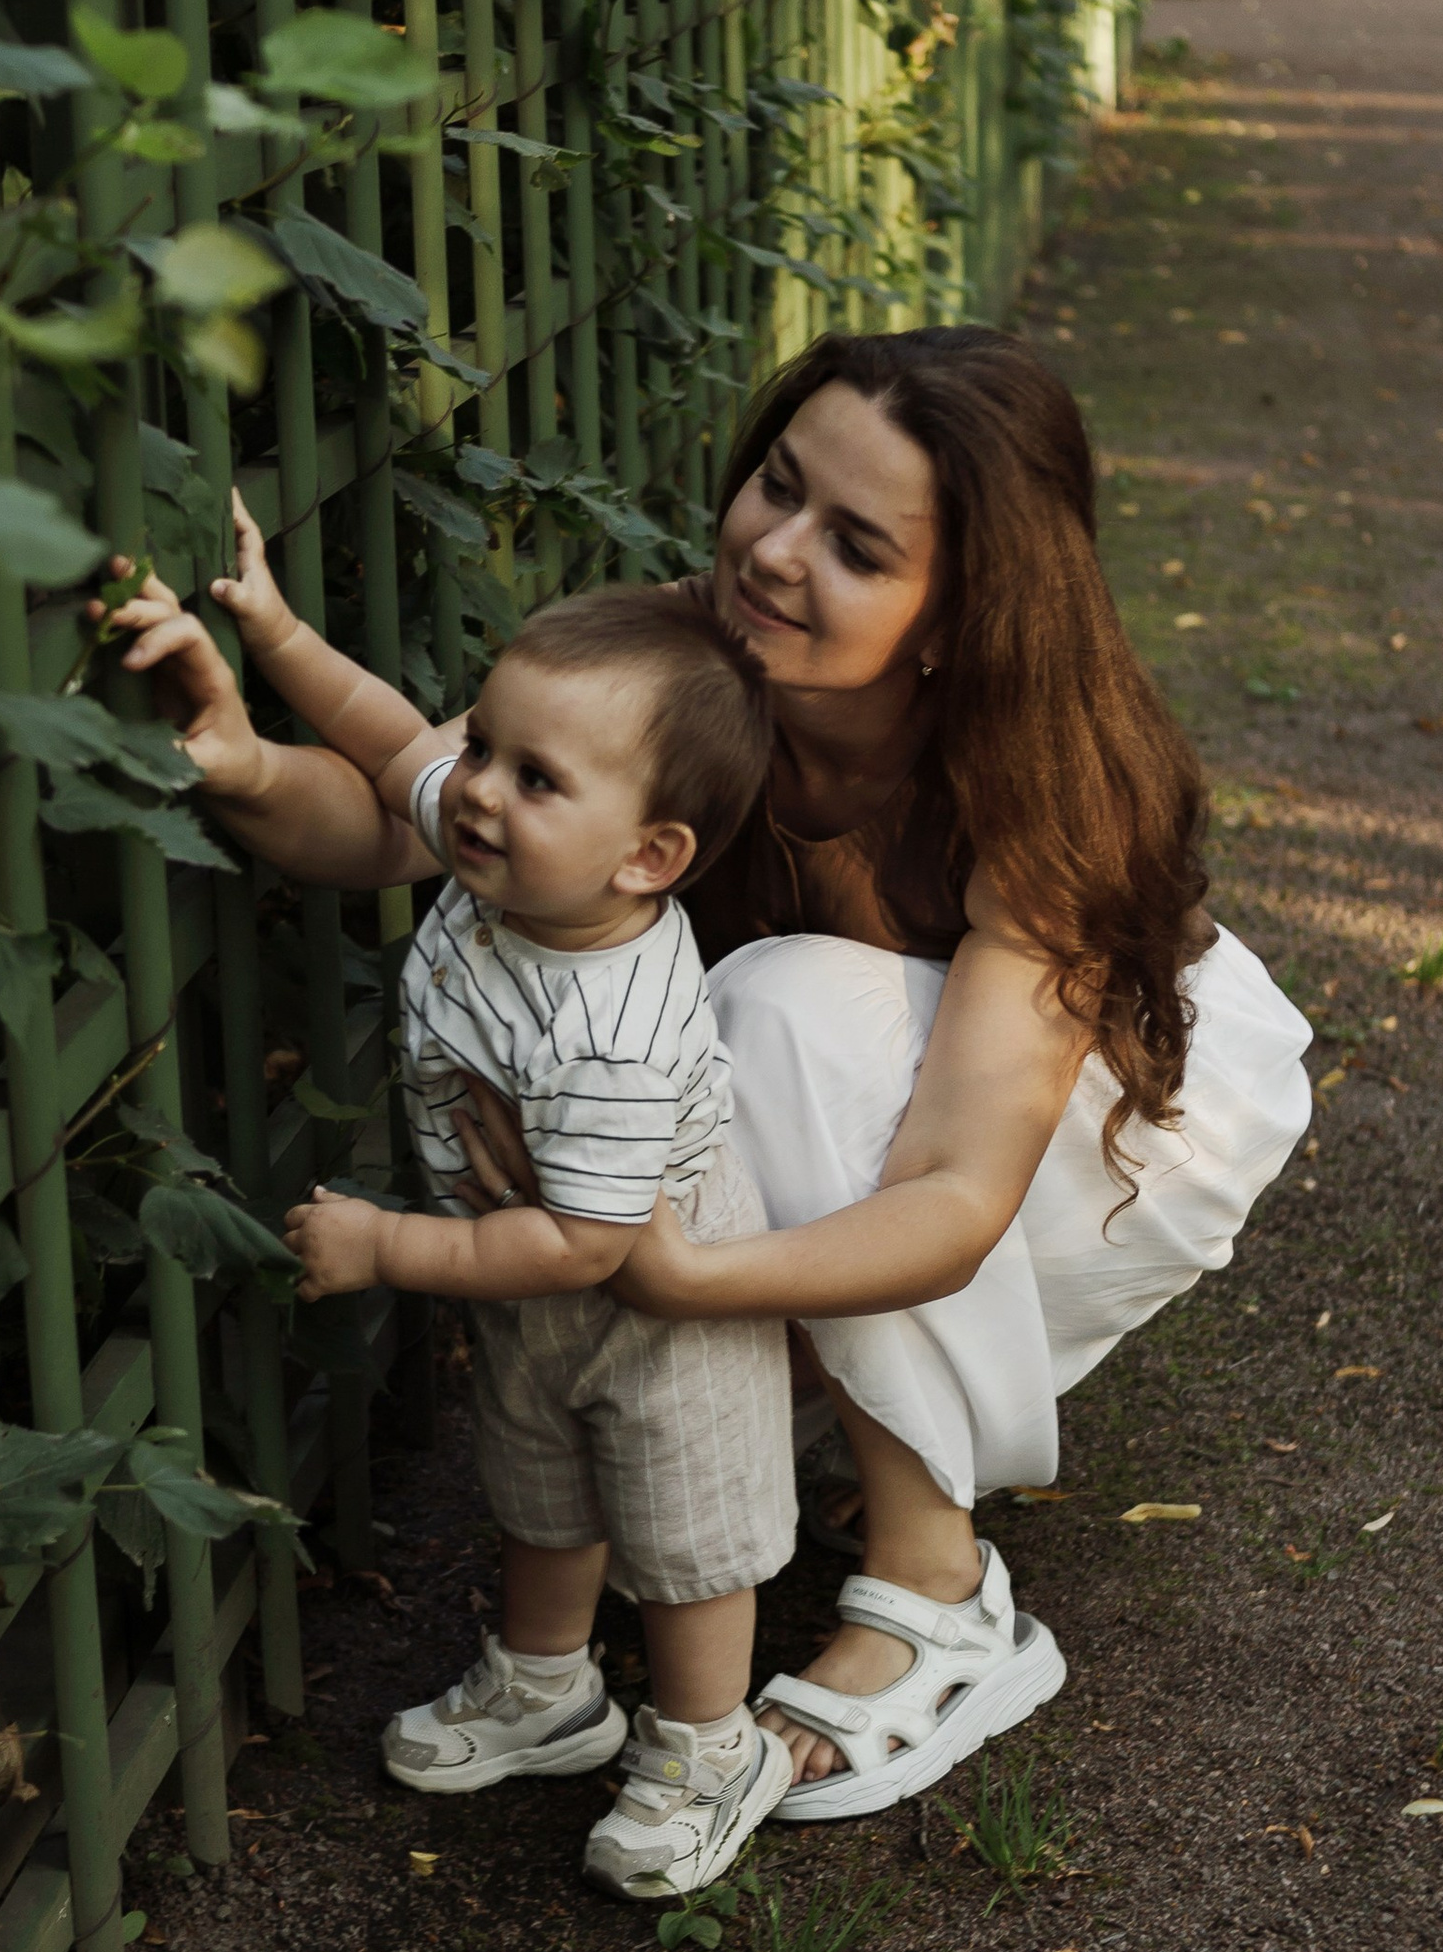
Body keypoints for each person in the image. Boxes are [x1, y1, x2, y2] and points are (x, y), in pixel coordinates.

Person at [121, 330, 1312, 1828]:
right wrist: (237, 762)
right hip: (868, 1084)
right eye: (779, 485)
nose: (776, 551)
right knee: (731, 1050)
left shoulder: (1039, 779)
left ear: (960, 612)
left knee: (772, 1015)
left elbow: (957, 1193)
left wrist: (677, 1275)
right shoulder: (687, 658)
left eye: (858, 547)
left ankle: (942, 1593)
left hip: (1132, 1122)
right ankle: (828, 1413)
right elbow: (407, 815)